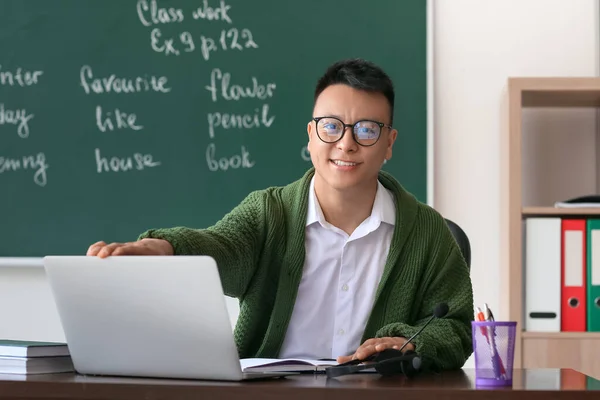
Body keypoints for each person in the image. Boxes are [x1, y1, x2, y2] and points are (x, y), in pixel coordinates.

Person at [87, 58, 474, 372]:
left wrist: (410, 341)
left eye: (367, 130)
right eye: (331, 127)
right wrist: (167, 247)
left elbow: (456, 327)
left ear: (389, 142)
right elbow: (221, 247)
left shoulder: (427, 232)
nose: (346, 143)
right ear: (310, 135)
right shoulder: (269, 213)